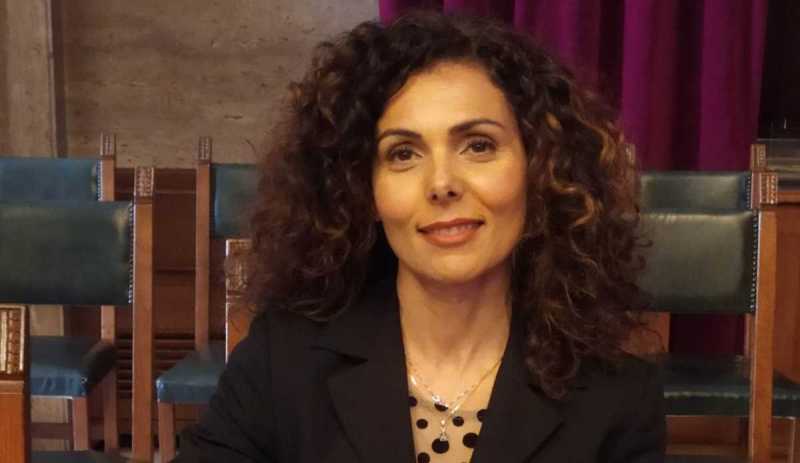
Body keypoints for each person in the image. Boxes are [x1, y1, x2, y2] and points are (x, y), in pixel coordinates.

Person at [175, 11, 665, 463]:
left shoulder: (618, 395)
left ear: (540, 171)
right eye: (403, 154)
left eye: (478, 145)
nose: (441, 184)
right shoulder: (282, 359)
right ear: (363, 190)